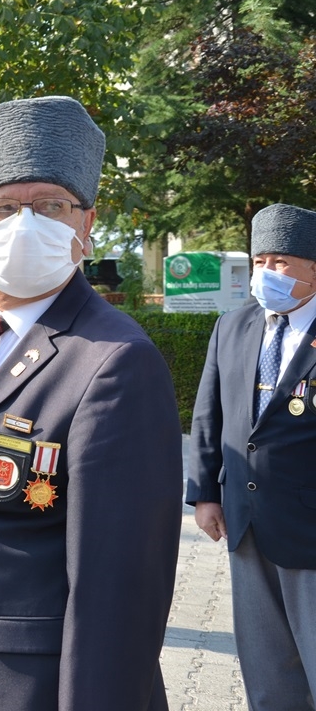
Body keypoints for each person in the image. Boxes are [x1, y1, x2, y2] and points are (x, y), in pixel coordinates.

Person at [0, 96, 182, 711]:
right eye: (3, 208)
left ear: (86, 224)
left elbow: (120, 587)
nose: (25, 225)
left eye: (51, 205)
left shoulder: (115, 360)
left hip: (34, 681)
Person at [188, 202, 316, 710]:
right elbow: (209, 417)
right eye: (259, 261)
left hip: (309, 527)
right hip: (244, 520)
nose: (266, 273)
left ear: (313, 268)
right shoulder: (233, 326)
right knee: (266, 668)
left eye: (280, 262)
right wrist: (204, 495)